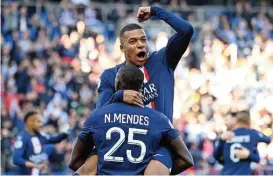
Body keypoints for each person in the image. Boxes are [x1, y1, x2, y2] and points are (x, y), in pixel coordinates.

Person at [84, 6, 194, 174]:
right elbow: (101, 113)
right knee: (86, 168)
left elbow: (186, 31)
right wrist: (120, 96)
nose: (140, 45)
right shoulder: (110, 75)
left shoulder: (162, 62)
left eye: (143, 40)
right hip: (122, 144)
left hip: (159, 145)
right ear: (122, 48)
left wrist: (156, 11)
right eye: (133, 42)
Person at [69, 65, 193, 175]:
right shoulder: (160, 119)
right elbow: (187, 159)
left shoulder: (96, 116)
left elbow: (74, 162)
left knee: (94, 157)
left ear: (117, 85)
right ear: (142, 87)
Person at [213, 111, 271, 175]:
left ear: (236, 120)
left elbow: (216, 157)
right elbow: (267, 140)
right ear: (249, 121)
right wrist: (249, 154)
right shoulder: (252, 133)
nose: (225, 123)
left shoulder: (225, 136)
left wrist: (221, 140)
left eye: (227, 120)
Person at [12, 110, 69, 175]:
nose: (41, 124)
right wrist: (36, 166)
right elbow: (16, 159)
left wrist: (67, 130)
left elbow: (56, 139)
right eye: (38, 122)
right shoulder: (22, 138)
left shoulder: (40, 136)